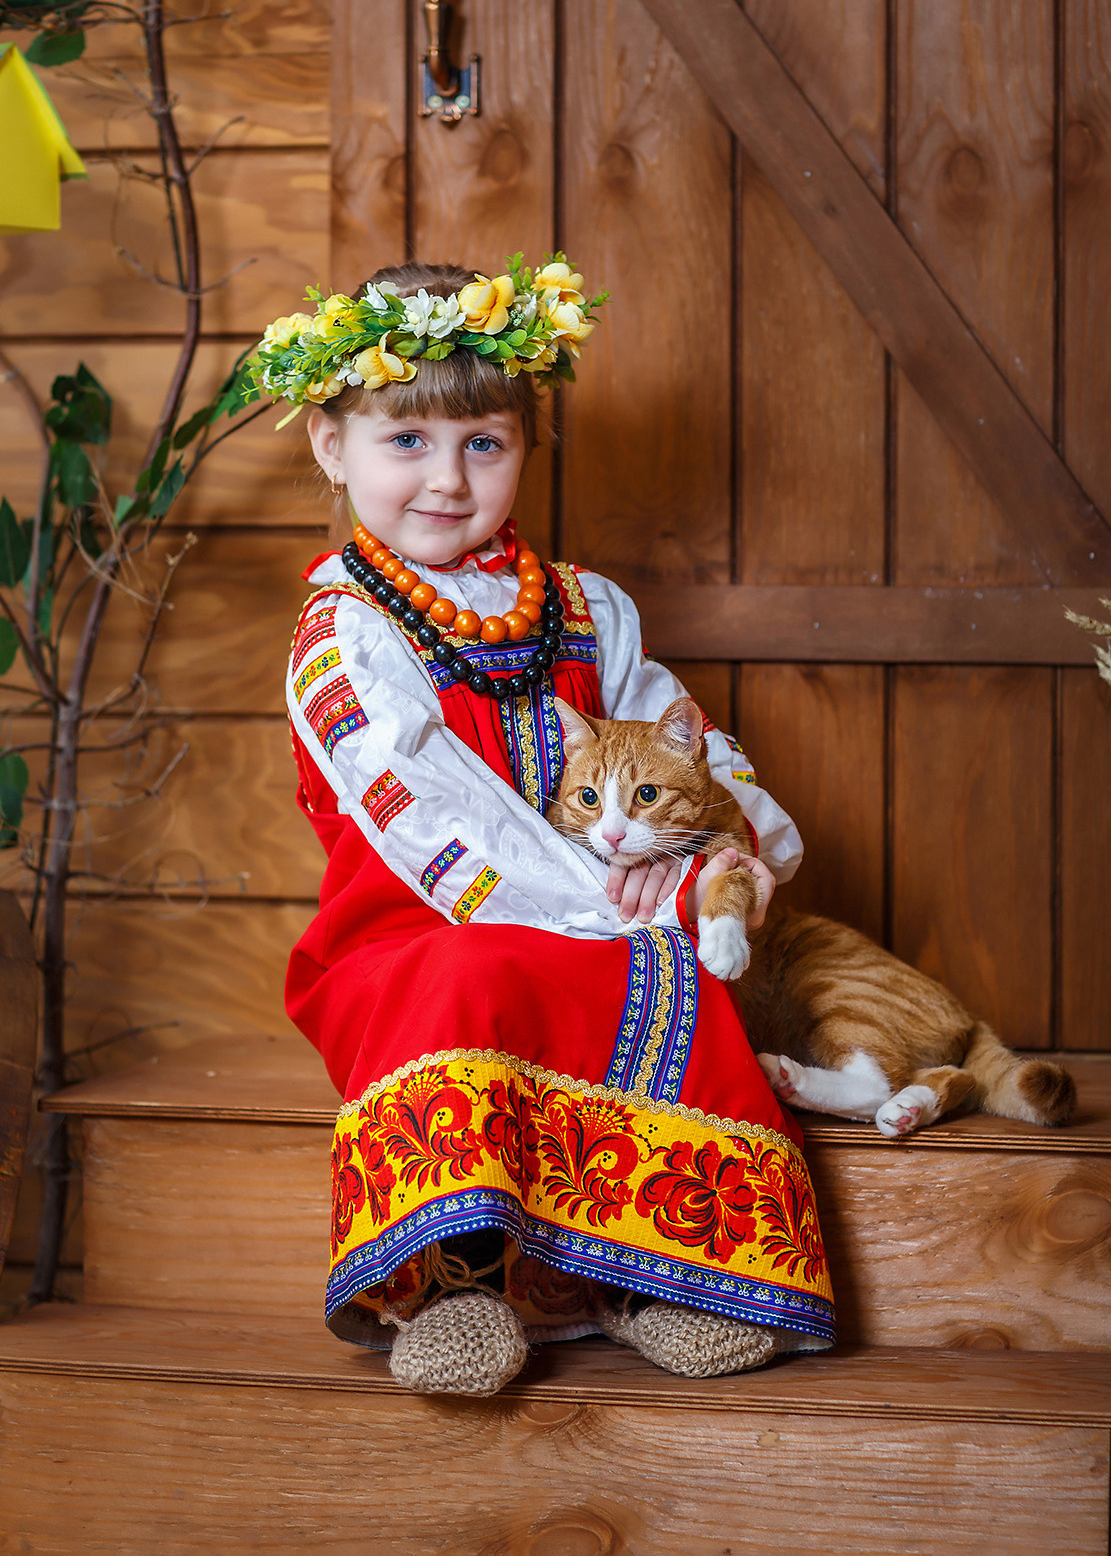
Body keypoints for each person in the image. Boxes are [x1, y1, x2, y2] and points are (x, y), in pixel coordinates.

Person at [260, 257, 834, 1396]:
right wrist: (619, 905)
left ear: (525, 444)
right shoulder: (343, 633)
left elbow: (686, 746)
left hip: (600, 904)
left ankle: (653, 1271)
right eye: (405, 443)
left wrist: (739, 844)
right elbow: (438, 821)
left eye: (483, 442)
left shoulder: (583, 605)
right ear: (332, 447)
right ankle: (448, 1286)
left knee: (678, 967)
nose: (446, 478)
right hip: (416, 929)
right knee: (475, 972)